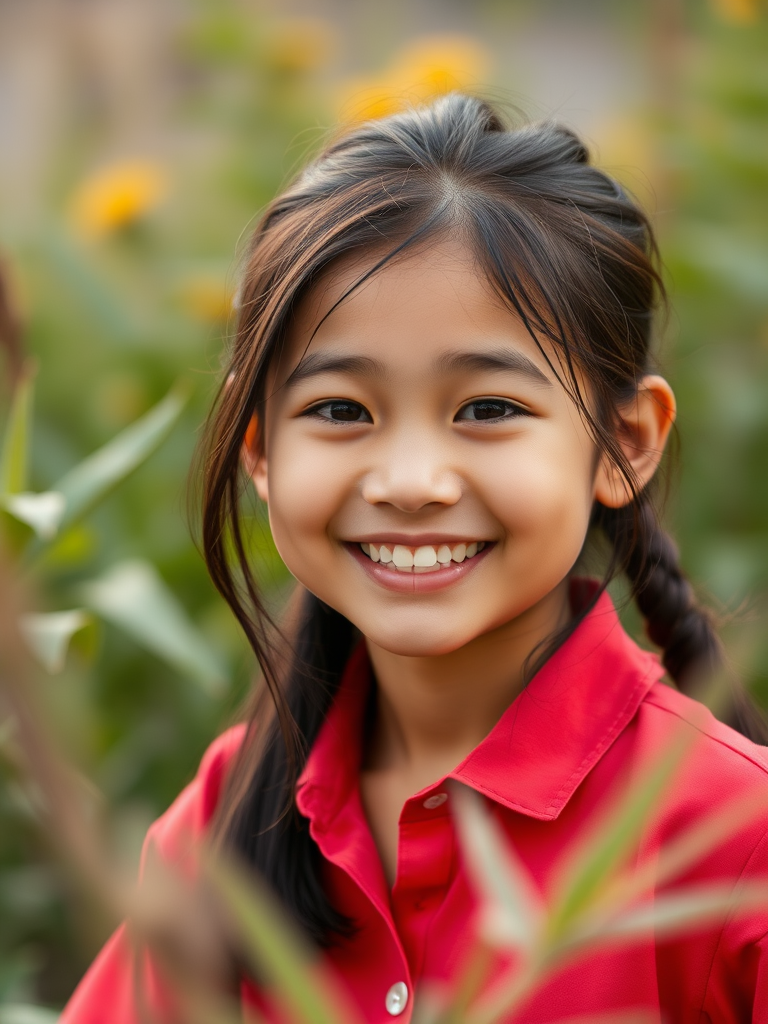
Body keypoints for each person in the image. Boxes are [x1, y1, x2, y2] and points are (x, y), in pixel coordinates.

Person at [61, 93, 768, 1023]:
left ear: (623, 442)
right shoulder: (228, 815)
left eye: (486, 409)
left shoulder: (730, 841)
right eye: (342, 411)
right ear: (259, 448)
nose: (410, 481)